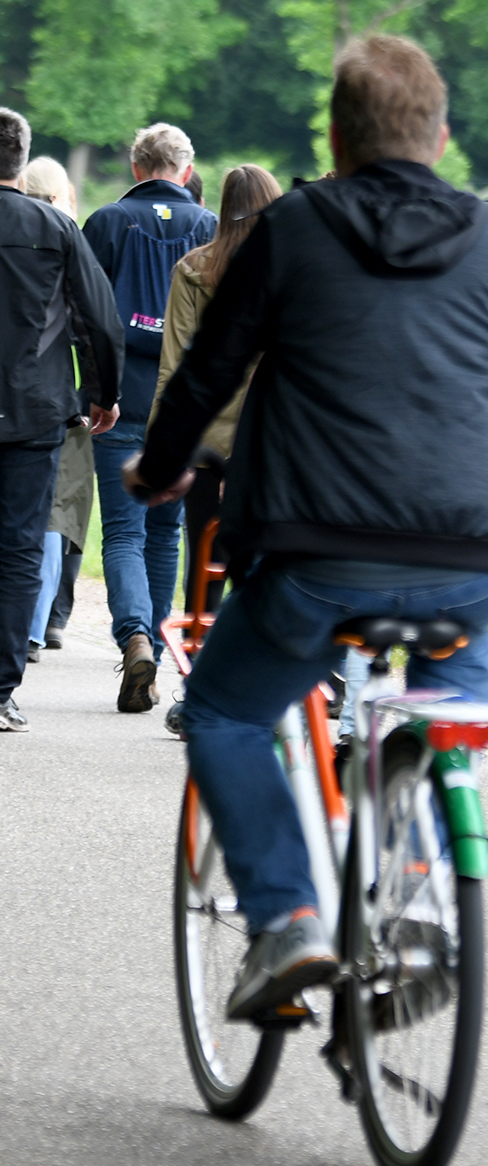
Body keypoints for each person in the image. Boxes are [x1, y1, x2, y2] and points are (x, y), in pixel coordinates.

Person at [134, 35, 488, 1021]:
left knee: (221, 709)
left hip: (318, 548)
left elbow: (210, 371)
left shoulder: (292, 227)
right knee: (442, 694)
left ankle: (288, 916)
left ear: (334, 137)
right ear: (443, 134)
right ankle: (416, 885)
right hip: (478, 554)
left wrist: (158, 470)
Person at [83, 122, 217, 713]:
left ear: (137, 168)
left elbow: (85, 313)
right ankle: (156, 659)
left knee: (123, 532)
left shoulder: (107, 223)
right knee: (169, 533)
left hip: (120, 401)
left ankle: (134, 636)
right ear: (186, 172)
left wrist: (94, 390)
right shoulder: (210, 228)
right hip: (189, 407)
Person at [147, 163, 282, 734]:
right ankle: (266, 689)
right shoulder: (288, 273)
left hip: (204, 448)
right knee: (266, 568)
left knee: (205, 571)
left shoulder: (192, 270)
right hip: (273, 446)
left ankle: (198, 689)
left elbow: (173, 369)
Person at [0, 109, 122, 734]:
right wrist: (103, 391)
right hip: (34, 408)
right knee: (21, 545)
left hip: (33, 408)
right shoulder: (54, 226)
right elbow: (97, 316)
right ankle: (0, 689)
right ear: (20, 161)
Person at [19, 156, 95, 664]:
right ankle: (40, 623)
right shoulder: (67, 234)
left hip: (20, 392)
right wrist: (98, 391)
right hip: (55, 396)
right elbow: (97, 318)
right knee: (54, 515)